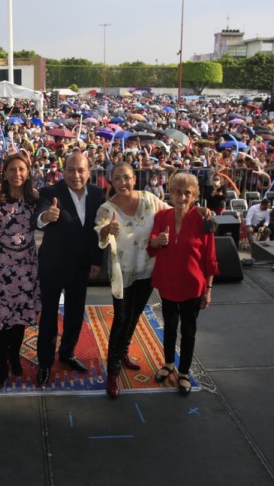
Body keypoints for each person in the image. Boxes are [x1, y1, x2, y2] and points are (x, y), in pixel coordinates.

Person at [95, 162, 170, 398]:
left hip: (147, 270)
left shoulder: (149, 199)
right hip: (122, 273)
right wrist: (108, 230)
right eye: (117, 179)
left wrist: (197, 210)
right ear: (111, 182)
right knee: (121, 319)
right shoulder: (106, 209)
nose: (123, 183)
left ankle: (124, 351)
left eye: (126, 177)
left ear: (134, 179)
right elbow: (100, 233)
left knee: (136, 314)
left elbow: (171, 212)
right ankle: (113, 373)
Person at [31, 151, 105, 387]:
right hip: (53, 266)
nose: (76, 175)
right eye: (71, 170)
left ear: (89, 171)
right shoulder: (50, 192)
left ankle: (67, 353)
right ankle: (44, 364)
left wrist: (97, 260)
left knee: (75, 313)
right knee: (49, 318)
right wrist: (46, 216)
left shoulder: (97, 194)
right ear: (63, 171)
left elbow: (98, 229)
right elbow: (37, 217)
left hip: (81, 267)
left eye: (81, 170)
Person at [148, 173, 219, 396]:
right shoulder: (161, 216)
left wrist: (208, 289)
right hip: (168, 283)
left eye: (187, 193)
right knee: (169, 326)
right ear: (171, 193)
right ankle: (168, 363)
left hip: (193, 286)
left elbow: (210, 257)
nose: (182, 196)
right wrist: (157, 241)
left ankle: (184, 372)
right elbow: (151, 244)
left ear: (195, 196)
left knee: (188, 331)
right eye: (178, 192)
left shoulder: (203, 219)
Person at [0, 153, 41, 392]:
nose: (17, 174)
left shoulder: (34, 198)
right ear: (4, 173)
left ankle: (14, 357)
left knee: (19, 319)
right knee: (1, 320)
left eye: (21, 169)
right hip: (1, 265)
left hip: (26, 265)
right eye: (12, 169)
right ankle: (1, 367)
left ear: (28, 172)